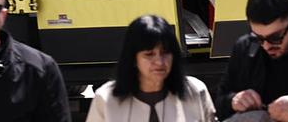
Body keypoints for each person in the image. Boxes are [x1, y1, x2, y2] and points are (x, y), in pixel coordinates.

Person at [86, 15, 217, 122]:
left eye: (165, 52)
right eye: (149, 54)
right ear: (133, 58)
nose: (159, 61)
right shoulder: (106, 98)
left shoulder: (195, 91)